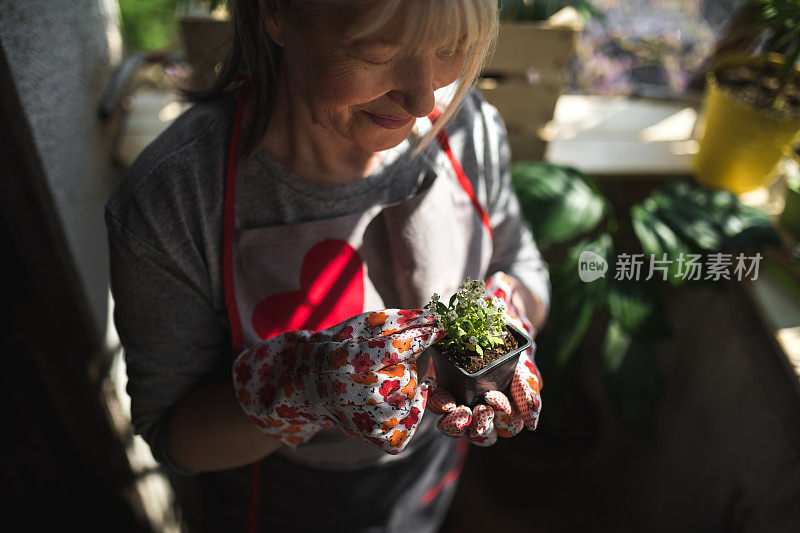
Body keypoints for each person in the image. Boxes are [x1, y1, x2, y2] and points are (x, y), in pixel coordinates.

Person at [105, 0, 551, 531]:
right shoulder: (176, 198)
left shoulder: (466, 128)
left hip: (427, 476)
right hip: (279, 498)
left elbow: (518, 260)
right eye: (378, 50)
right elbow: (175, 432)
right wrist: (302, 384)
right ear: (275, 14)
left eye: (450, 49)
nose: (421, 96)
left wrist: (505, 327)